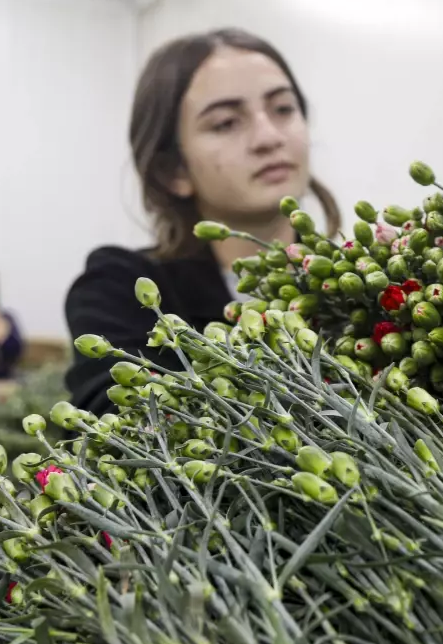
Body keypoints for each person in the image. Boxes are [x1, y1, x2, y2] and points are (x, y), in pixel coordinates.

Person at [64, 28, 340, 415]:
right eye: (226, 123)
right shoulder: (121, 290)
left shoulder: (354, 283)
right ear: (173, 170)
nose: (268, 137)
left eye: (283, 109)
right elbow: (118, 423)